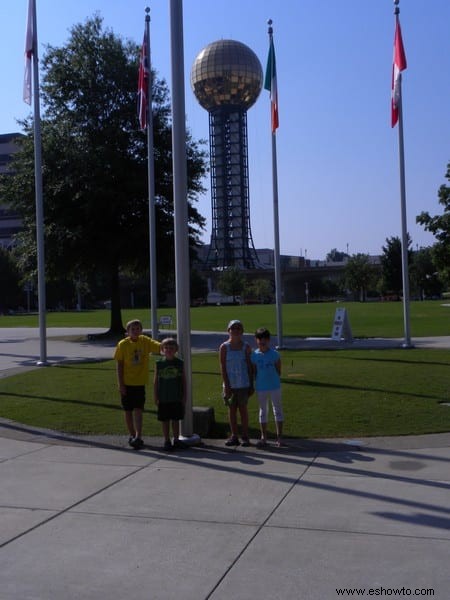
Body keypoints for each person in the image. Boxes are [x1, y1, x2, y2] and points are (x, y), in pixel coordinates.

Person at [113, 319, 161, 449]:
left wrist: (171, 344)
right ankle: (132, 434)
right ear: (127, 332)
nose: (135, 331)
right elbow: (119, 365)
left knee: (138, 410)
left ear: (141, 330)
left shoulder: (145, 341)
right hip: (127, 383)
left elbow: (160, 347)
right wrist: (121, 384)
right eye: (132, 329)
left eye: (138, 329)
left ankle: (138, 436)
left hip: (139, 383)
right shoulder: (122, 344)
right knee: (128, 410)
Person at [219, 319, 253, 447]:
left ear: (242, 331)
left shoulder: (246, 347)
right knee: (232, 410)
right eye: (233, 328)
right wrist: (227, 385)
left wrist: (251, 383)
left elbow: (249, 366)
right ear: (228, 331)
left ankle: (245, 436)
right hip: (230, 385)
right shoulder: (224, 347)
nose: (236, 331)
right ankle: (234, 435)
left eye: (239, 328)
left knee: (243, 410)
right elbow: (222, 366)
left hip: (243, 384)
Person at [250, 327, 285, 448]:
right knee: (263, 411)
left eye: (264, 339)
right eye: (259, 339)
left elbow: (278, 370)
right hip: (261, 387)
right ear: (256, 340)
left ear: (269, 340)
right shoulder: (254, 355)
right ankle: (263, 437)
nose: (262, 341)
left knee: (278, 410)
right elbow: (254, 372)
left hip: (275, 386)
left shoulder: (275, 354)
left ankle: (279, 437)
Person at [154, 337, 186, 451]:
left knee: (175, 420)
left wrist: (184, 396)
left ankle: (176, 440)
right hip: (163, 397)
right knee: (165, 420)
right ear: (162, 349)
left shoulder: (179, 363)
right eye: (166, 347)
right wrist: (156, 396)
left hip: (176, 396)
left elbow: (183, 381)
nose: (168, 350)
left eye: (171, 348)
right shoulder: (159, 363)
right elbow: (156, 381)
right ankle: (167, 440)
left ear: (176, 349)